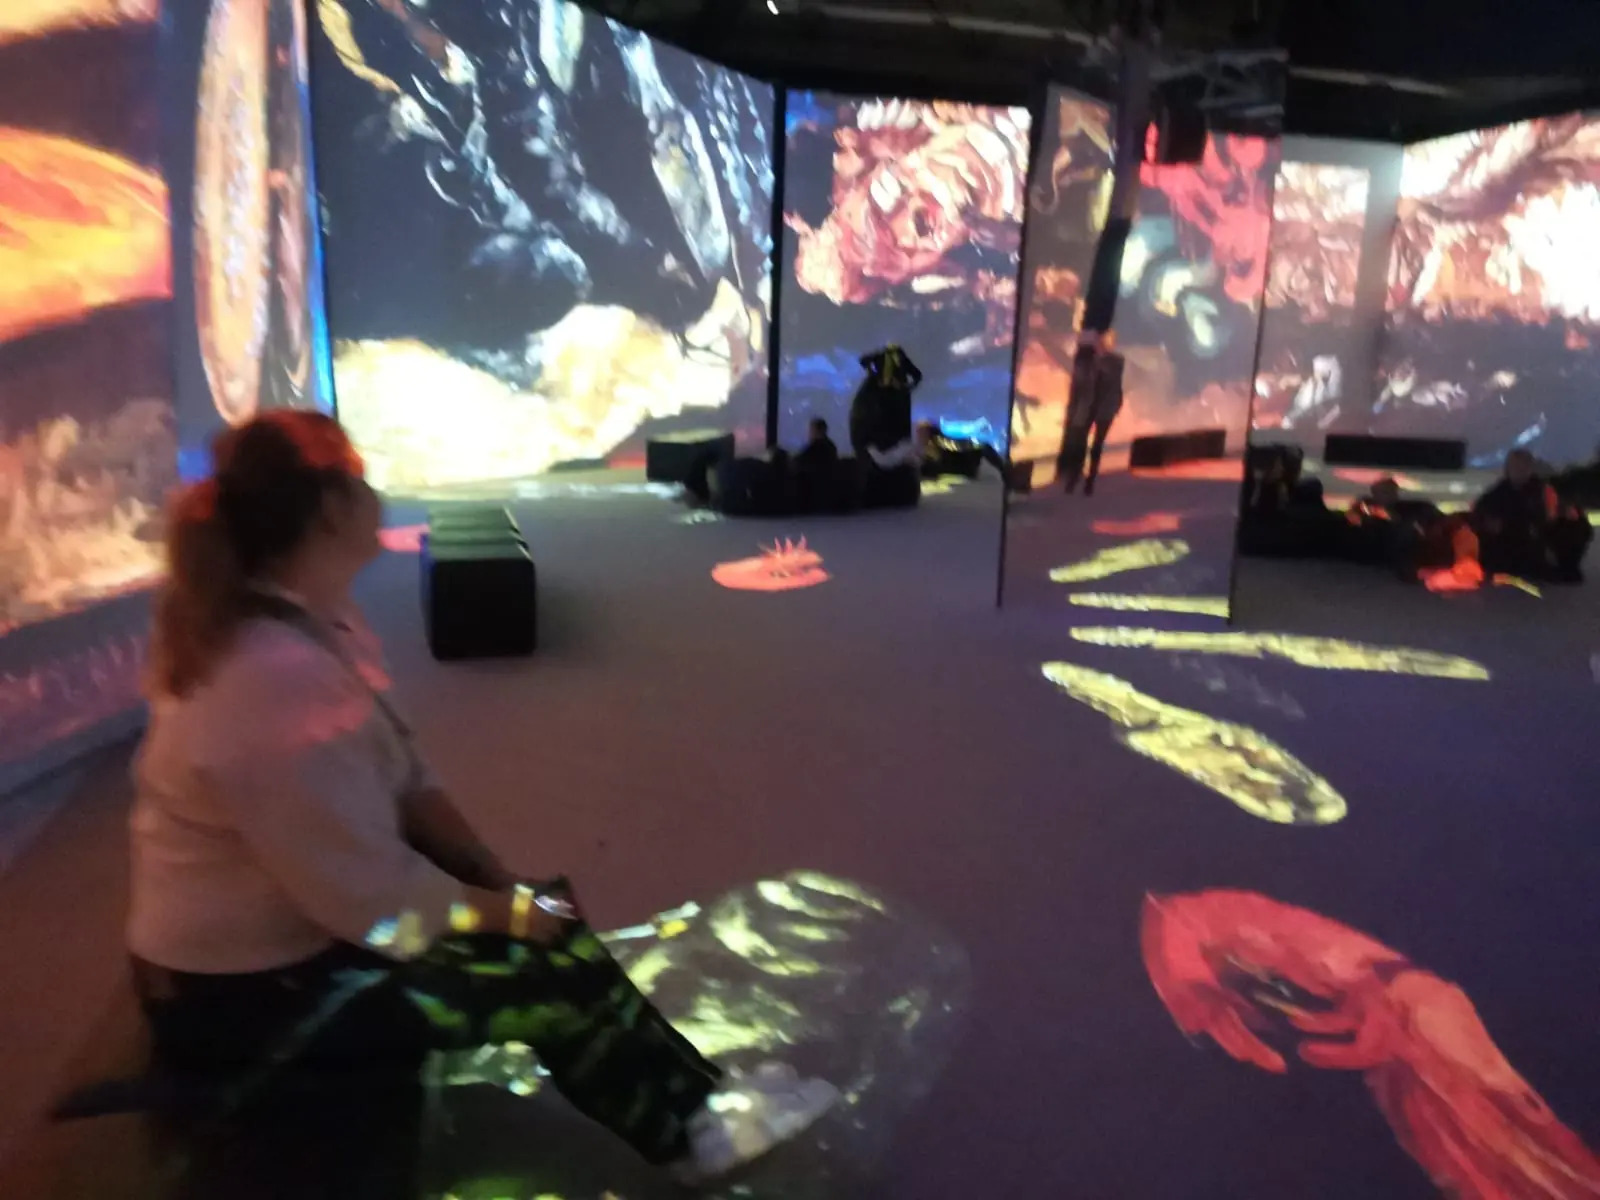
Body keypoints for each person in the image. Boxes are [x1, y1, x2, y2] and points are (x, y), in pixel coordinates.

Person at [127, 411, 836, 1183]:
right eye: (361, 477)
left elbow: (403, 775)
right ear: (330, 509)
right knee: (543, 974)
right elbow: (374, 904)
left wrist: (501, 884)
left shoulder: (308, 624)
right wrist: (511, 916)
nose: (375, 493)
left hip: (302, 939)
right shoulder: (272, 677)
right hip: (250, 1000)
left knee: (547, 920)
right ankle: (692, 1136)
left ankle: (697, 1103)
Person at [1472, 449, 1592, 581]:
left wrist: (1565, 516)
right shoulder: (1495, 495)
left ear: (1531, 468)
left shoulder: (1544, 491)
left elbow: (1562, 514)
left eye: (1524, 466)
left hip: (1540, 539)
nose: (1519, 470)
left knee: (1578, 526)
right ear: (1508, 469)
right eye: (1515, 466)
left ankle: (1565, 565)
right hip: (1511, 545)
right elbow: (1480, 514)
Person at [1059, 329, 1125, 496]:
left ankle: (1089, 480)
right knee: (1081, 442)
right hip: (1091, 406)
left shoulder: (1114, 361)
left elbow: (1112, 378)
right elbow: (1079, 385)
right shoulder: (1087, 363)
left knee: (1096, 444)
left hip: (1104, 406)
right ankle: (1076, 476)